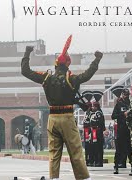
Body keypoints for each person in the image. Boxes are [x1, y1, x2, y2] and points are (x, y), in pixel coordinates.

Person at [21, 35, 103, 180]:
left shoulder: (47, 77)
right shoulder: (71, 78)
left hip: (52, 118)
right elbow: (87, 75)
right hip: (67, 117)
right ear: (67, 65)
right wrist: (96, 60)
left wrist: (27, 53)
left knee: (54, 153)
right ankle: (83, 178)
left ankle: (54, 178)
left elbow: (25, 71)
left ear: (56, 64)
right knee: (75, 151)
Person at [111, 86, 132, 174]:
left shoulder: (131, 104)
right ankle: (116, 166)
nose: (125, 96)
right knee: (119, 149)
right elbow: (113, 116)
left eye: (127, 95)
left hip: (129, 129)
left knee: (130, 149)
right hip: (121, 129)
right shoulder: (119, 105)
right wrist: (123, 114)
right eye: (124, 94)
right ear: (122, 95)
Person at [89, 91, 105, 167]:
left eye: (93, 106)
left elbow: (100, 123)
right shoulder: (94, 113)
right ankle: (96, 160)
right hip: (94, 131)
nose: (92, 108)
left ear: (96, 107)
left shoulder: (99, 113)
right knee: (94, 147)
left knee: (98, 147)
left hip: (98, 132)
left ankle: (99, 161)